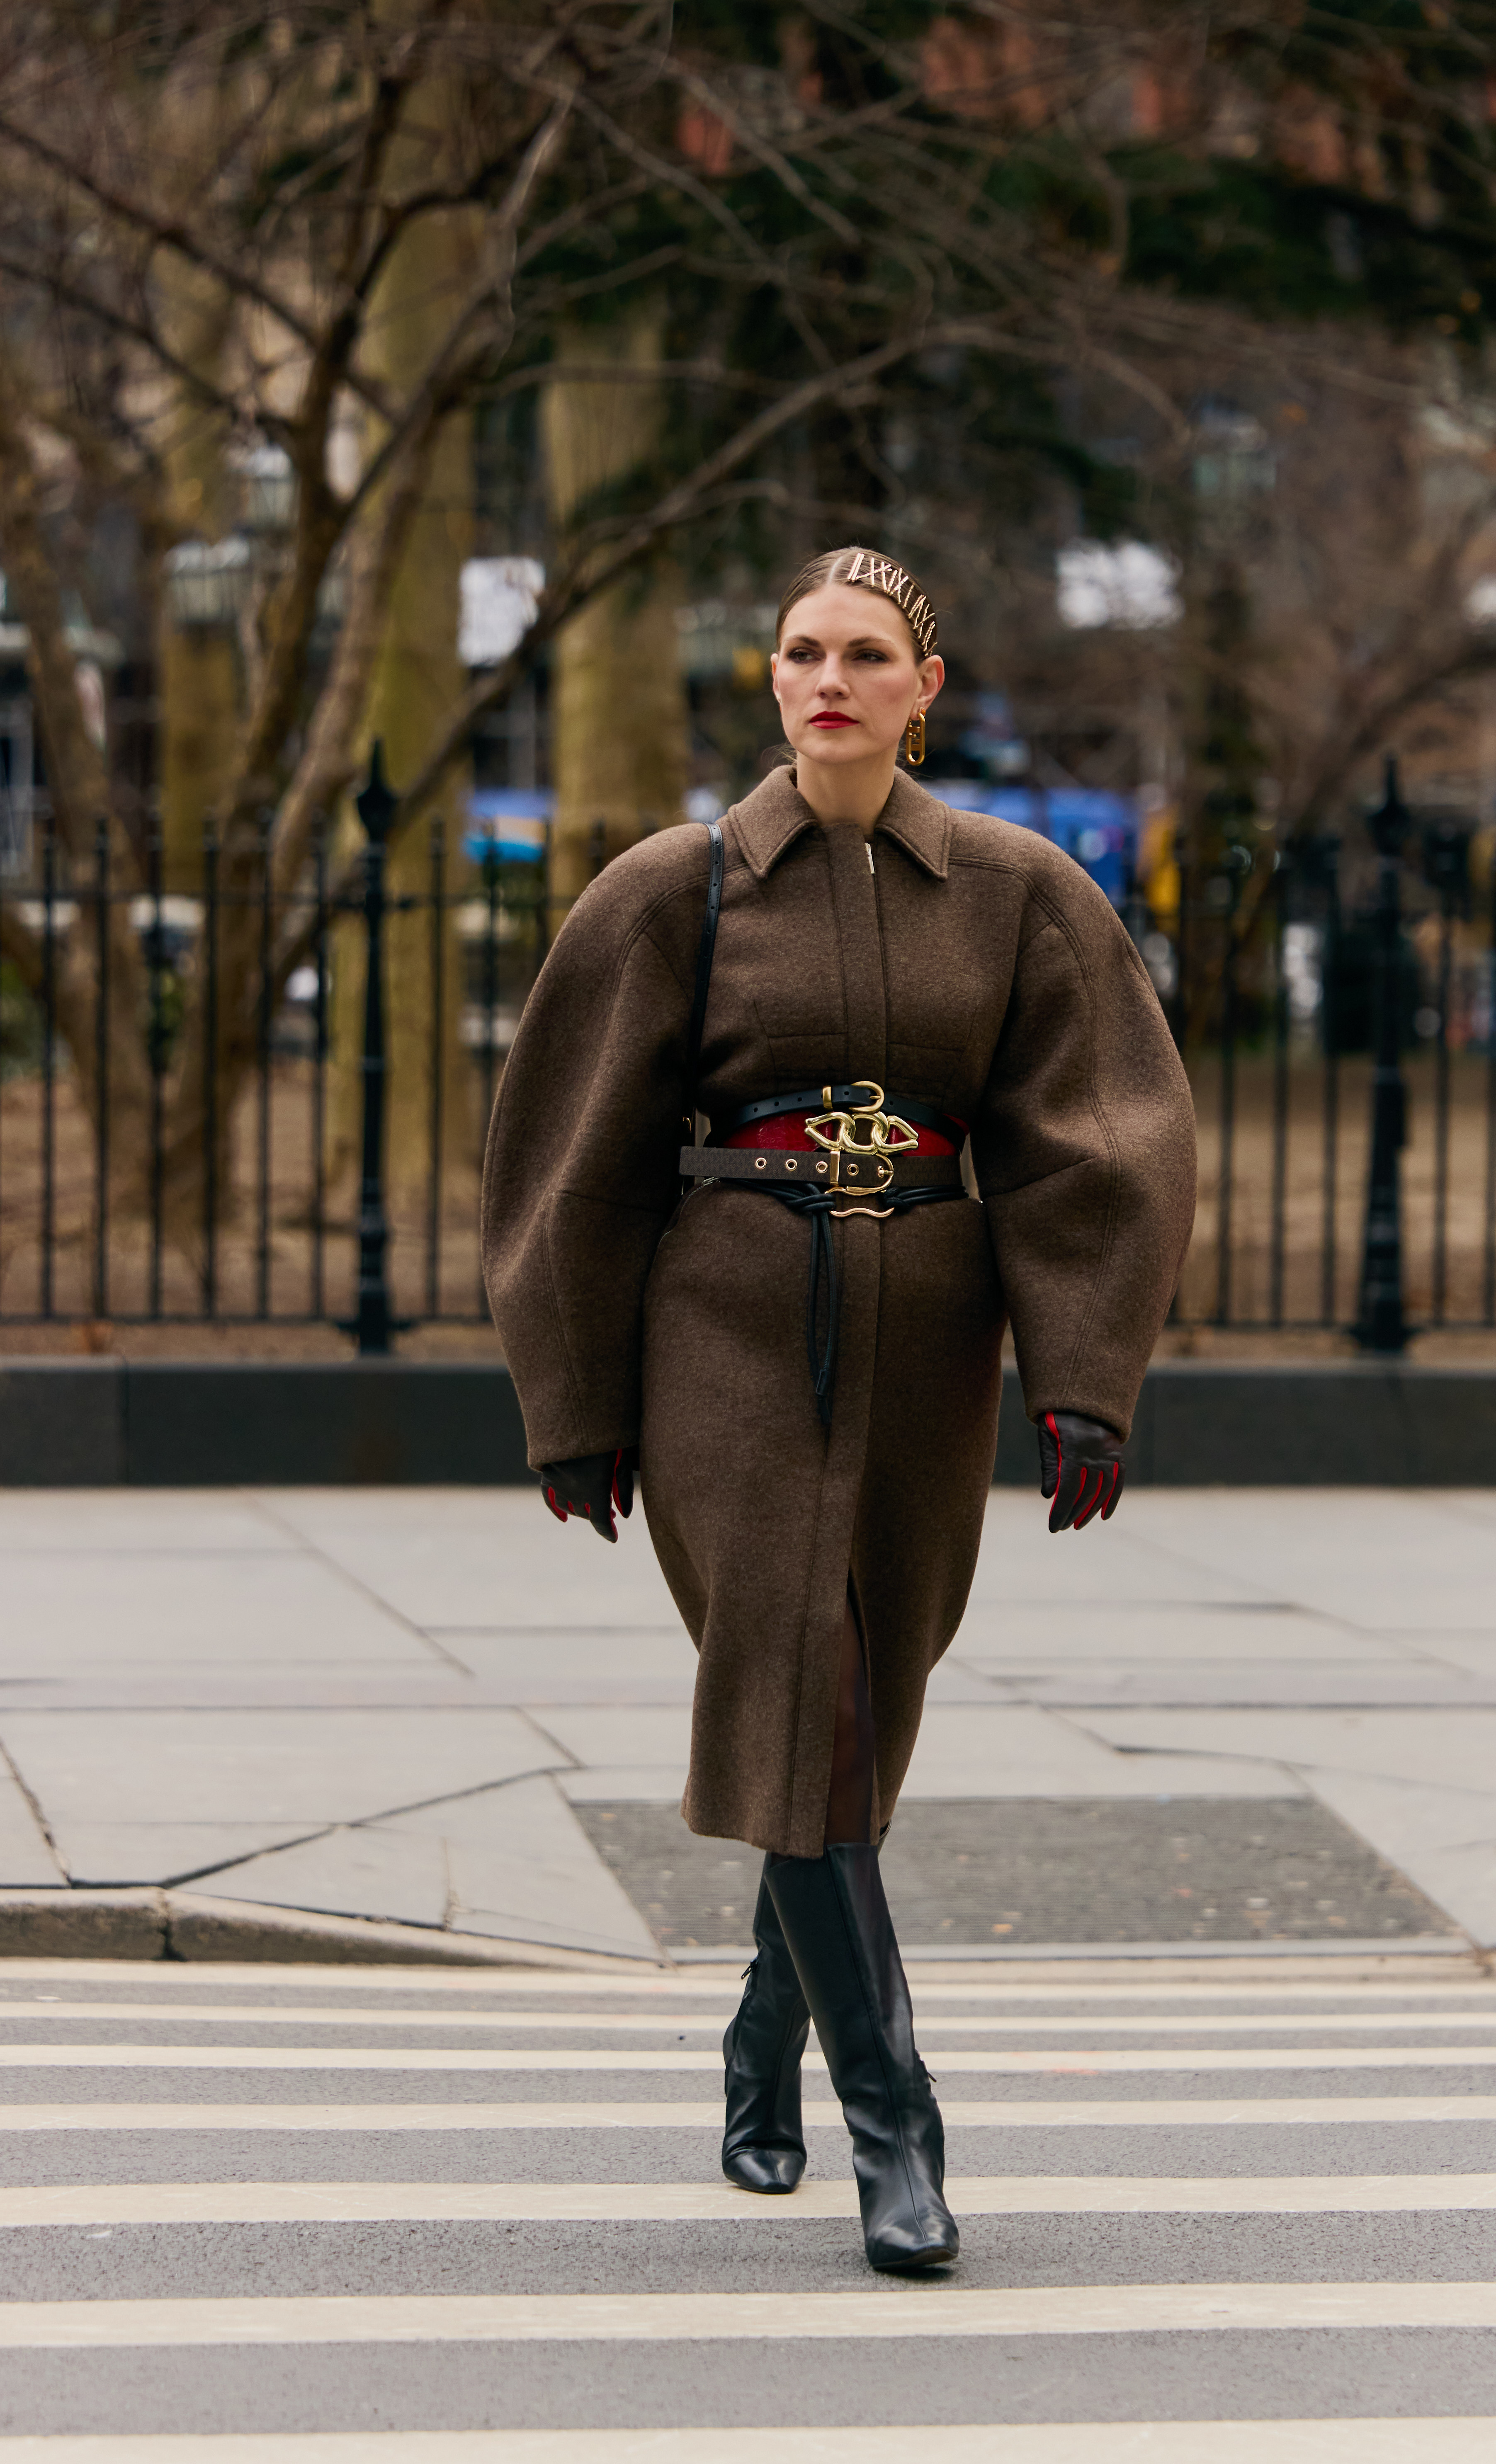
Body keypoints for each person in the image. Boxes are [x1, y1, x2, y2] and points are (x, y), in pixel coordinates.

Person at [481, 546, 1197, 2271]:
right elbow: (565, 1161)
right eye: (802, 649)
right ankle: (901, 2126)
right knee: (796, 1676)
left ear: (923, 688)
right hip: (726, 1324)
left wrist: (1084, 1382)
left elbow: (1103, 1137)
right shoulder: (676, 889)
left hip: (933, 1334)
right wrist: (573, 1400)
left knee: (857, 1703)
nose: (829, 678)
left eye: (867, 655)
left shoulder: (1021, 892)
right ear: (774, 679)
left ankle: (758, 2031)